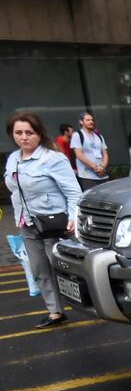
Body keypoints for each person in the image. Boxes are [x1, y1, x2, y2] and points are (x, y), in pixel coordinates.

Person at [5, 112, 83, 327]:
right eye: (18, 133)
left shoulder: (53, 158)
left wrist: (73, 217)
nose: (24, 137)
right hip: (27, 224)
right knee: (39, 269)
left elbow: (73, 191)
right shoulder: (13, 159)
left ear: (39, 134)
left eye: (29, 132)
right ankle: (55, 312)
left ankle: (94, 302)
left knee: (65, 269)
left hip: (54, 224)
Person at [70, 111, 108, 190]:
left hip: (102, 175)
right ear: (81, 122)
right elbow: (79, 155)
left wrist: (102, 167)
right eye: (88, 120)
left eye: (92, 120)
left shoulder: (99, 136)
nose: (91, 122)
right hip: (87, 176)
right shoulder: (77, 135)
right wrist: (95, 168)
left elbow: (105, 154)